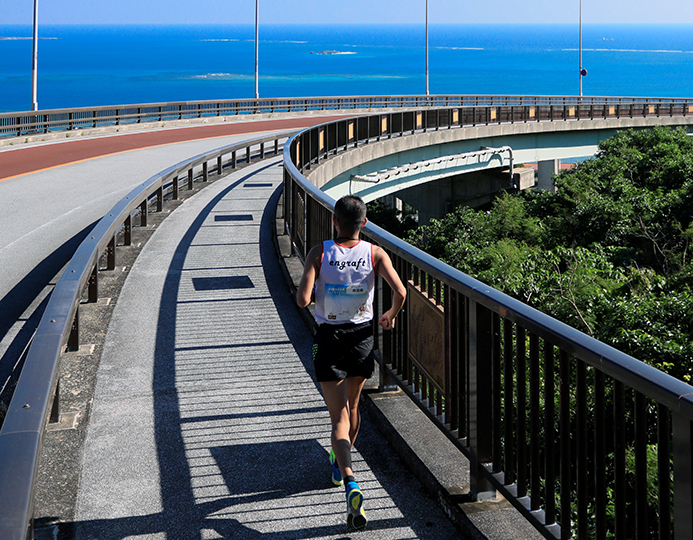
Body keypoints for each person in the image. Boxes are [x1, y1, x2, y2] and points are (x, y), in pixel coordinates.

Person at [296, 195, 406, 531]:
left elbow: (302, 299)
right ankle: (340, 458)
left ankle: (348, 478)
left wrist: (325, 294)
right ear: (365, 223)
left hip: (329, 338)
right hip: (362, 339)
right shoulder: (375, 253)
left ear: (334, 222)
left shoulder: (320, 252)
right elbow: (401, 292)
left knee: (337, 417)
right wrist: (389, 315)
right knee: (354, 407)